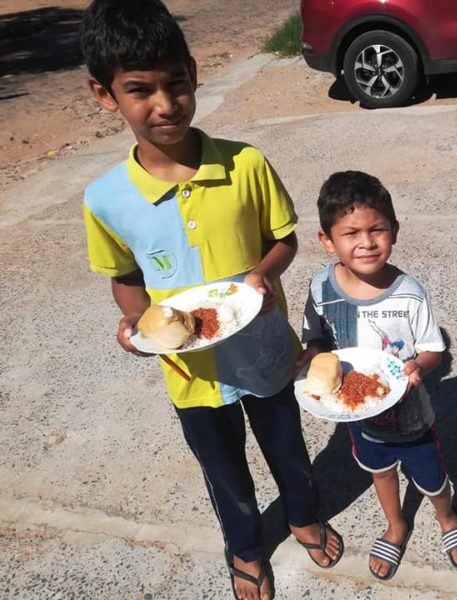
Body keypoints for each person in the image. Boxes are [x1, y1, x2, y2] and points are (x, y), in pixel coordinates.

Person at [79, 2, 342, 599]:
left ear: (195, 74)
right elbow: (125, 276)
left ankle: (302, 515)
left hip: (265, 352)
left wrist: (262, 275)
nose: (165, 104)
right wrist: (134, 321)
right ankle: (245, 547)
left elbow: (284, 239)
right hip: (190, 371)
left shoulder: (245, 163)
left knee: (288, 447)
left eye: (176, 83)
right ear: (104, 94)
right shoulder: (106, 199)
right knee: (223, 470)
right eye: (139, 89)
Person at [299, 171, 457, 580]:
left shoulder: (409, 293)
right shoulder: (321, 287)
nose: (366, 242)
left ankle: (447, 516)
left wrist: (420, 367)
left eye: (376, 229)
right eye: (350, 233)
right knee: (379, 471)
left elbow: (433, 348)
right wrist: (310, 355)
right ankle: (396, 525)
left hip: (410, 415)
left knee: (431, 477)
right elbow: (315, 336)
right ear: (327, 240)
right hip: (358, 413)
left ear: (394, 230)